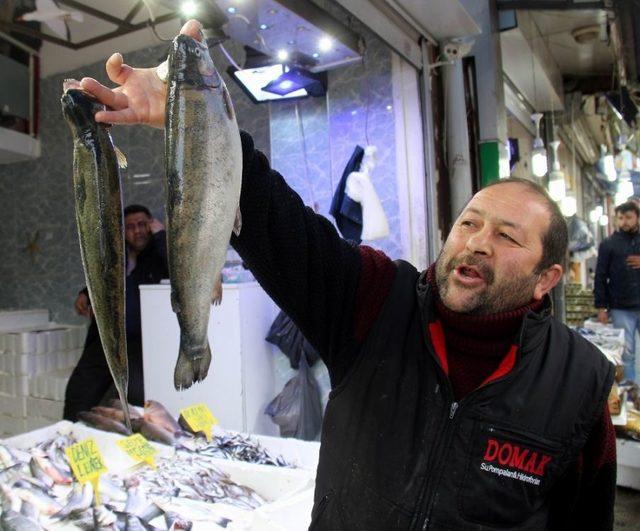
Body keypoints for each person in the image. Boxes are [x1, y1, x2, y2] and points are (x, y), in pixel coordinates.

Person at [78, 20, 616, 529]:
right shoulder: (381, 301)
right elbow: (280, 227)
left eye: (506, 236)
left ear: (548, 278)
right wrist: (196, 128)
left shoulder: (581, 381)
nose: (476, 242)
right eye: (468, 223)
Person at [64, 204, 168, 421]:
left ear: (151, 225)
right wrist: (86, 293)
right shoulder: (115, 258)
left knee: (137, 402)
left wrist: (161, 235)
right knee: (79, 392)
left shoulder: (159, 255)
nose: (137, 231)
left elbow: (177, 269)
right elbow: (102, 281)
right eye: (130, 227)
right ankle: (71, 436)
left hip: (140, 345)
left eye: (142, 224)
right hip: (105, 339)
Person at [595, 201, 640, 384]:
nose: (624, 222)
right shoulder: (608, 245)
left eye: (628, 217)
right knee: (626, 352)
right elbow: (600, 276)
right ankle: (631, 393)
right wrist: (601, 307)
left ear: (637, 217)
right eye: (621, 218)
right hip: (621, 307)